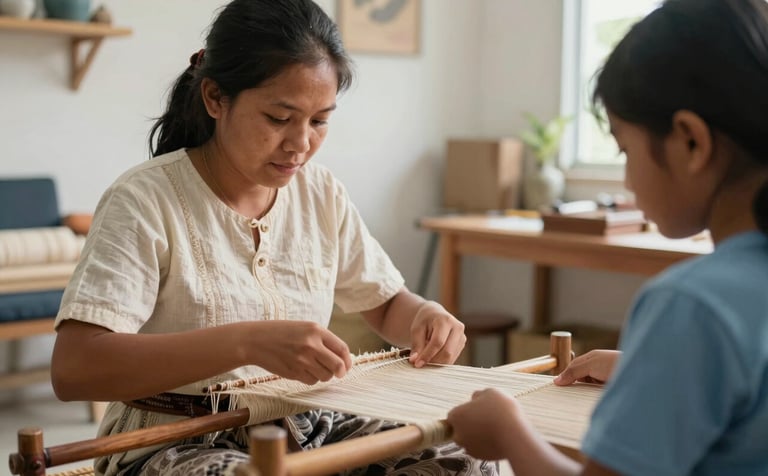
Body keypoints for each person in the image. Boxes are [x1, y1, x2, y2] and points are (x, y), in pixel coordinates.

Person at [49, 1, 497, 475]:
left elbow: (384, 304)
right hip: (172, 440)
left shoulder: (321, 194)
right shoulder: (144, 200)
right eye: (279, 118)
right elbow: (76, 367)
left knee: (465, 463)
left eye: (319, 120)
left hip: (308, 429)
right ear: (215, 98)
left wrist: (424, 318)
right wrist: (244, 343)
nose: (301, 143)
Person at [447, 0, 768, 474]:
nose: (628, 181)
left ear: (691, 142)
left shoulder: (691, 305)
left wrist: (508, 433)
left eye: (624, 150)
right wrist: (653, 369)